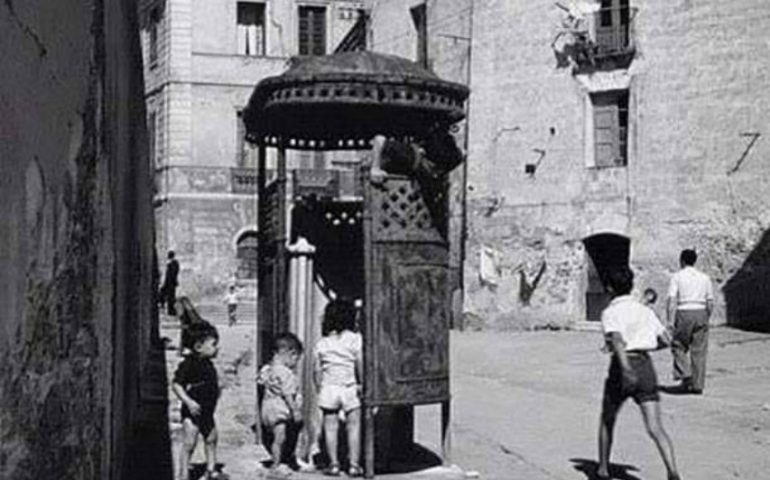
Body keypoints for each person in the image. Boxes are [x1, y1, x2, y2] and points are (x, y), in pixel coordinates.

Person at [597, 266, 681, 480]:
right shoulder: (645, 311)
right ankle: (672, 471)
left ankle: (603, 469)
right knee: (655, 427)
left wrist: (625, 367)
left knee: (608, 419)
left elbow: (616, 339)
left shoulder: (610, 312)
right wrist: (645, 345)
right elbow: (665, 340)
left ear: (609, 288)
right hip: (645, 365)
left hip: (622, 367)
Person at [313, 299, 363, 477]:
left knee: (330, 427)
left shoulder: (322, 343)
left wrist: (320, 387)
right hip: (349, 387)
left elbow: (317, 370)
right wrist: (361, 383)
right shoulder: (356, 340)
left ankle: (334, 464)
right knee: (354, 426)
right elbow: (360, 364)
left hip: (329, 388)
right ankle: (354, 465)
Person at [172, 323, 223, 480]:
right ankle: (182, 473)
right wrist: (188, 401)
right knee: (189, 442)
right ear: (199, 346)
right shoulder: (188, 364)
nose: (217, 348)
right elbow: (176, 384)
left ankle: (211, 469)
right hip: (192, 411)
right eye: (213, 344)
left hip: (207, 410)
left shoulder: (207, 363)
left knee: (212, 438)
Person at [667, 249, 714, 394]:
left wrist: (669, 319)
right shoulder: (705, 278)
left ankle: (686, 374)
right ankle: (698, 385)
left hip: (684, 311)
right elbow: (710, 301)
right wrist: (707, 316)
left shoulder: (677, 277)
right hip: (701, 311)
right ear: (695, 261)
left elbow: (671, 299)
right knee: (699, 350)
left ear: (682, 261)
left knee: (678, 345)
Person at [258, 333, 305, 476]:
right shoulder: (286, 373)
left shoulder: (267, 369)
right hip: (279, 409)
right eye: (296, 358)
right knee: (280, 439)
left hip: (267, 408)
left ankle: (278, 460)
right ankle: (276, 465)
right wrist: (295, 410)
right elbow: (288, 394)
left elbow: (260, 382)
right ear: (292, 354)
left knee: (273, 438)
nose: (296, 362)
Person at [162, 250, 180, 315]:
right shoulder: (174, 263)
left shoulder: (172, 264)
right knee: (171, 297)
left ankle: (171, 311)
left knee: (171, 297)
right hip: (171, 283)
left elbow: (170, 275)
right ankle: (171, 310)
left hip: (170, 283)